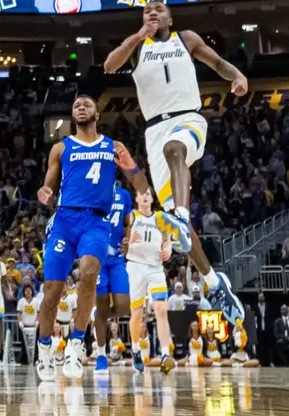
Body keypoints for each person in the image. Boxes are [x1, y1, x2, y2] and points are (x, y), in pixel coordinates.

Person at [102, 0, 247, 323]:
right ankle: (214, 283)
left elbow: (219, 62)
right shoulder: (138, 46)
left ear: (170, 17)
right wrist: (139, 35)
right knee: (180, 231)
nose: (151, 13)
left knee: (175, 150)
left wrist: (238, 77)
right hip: (154, 129)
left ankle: (182, 214)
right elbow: (110, 66)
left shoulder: (187, 39)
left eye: (158, 9)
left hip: (188, 119)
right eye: (146, 12)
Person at [34, 94, 148, 381]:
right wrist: (45, 193)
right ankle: (45, 348)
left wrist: (134, 172)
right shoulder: (61, 148)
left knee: (88, 274)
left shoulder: (114, 147)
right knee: (52, 293)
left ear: (98, 113)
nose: (81, 107)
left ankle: (76, 344)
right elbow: (48, 186)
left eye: (86, 104)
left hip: (96, 222)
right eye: (76, 105)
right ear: (73, 116)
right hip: (64, 220)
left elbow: (138, 181)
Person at [123, 186, 175, 372]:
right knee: (137, 313)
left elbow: (168, 240)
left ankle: (165, 353)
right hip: (135, 266)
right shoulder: (130, 216)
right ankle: (136, 349)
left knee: (161, 308)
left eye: (148, 194)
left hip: (155, 267)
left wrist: (168, 248)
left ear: (152, 199)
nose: (145, 196)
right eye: (141, 194)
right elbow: (119, 237)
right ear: (136, 199)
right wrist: (127, 239)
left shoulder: (160, 218)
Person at [90, 180, 134, 373]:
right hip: (98, 257)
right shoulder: (92, 192)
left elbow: (128, 222)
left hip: (116, 258)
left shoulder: (124, 195)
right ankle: (101, 354)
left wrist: (127, 240)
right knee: (101, 304)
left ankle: (98, 316)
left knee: (124, 305)